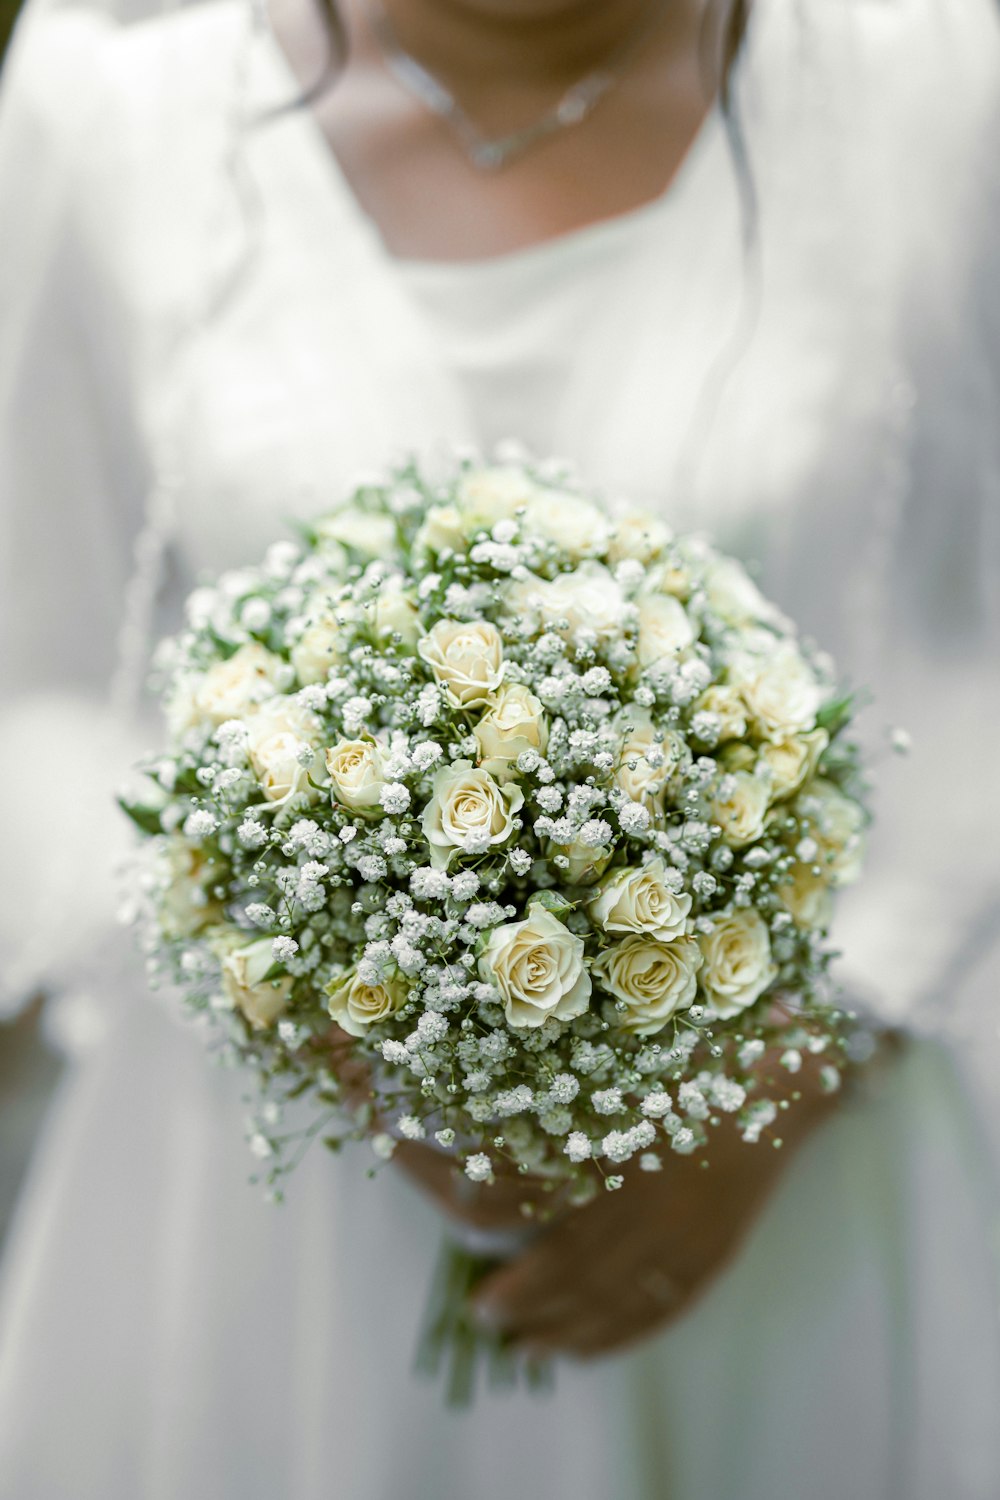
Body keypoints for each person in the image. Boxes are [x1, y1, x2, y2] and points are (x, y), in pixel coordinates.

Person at [0, 0, 998, 1495]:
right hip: (266, 1221)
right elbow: (48, 678)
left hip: (794, 1186)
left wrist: (793, 1064)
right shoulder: (113, 91)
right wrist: (339, 1033)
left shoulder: (934, 72)